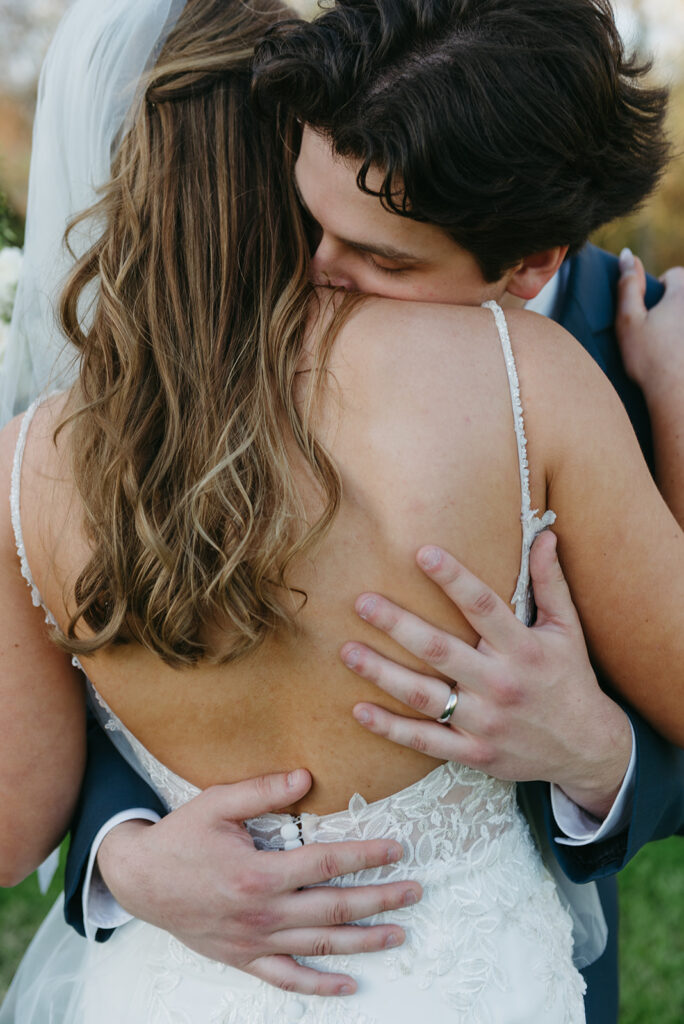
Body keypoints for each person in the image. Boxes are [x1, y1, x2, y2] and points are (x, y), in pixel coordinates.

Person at [1, 0, 682, 1020]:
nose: (322, 268)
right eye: (310, 218)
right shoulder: (524, 371)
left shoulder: (31, 462)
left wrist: (599, 751)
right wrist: (125, 858)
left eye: (384, 256)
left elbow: (14, 813)